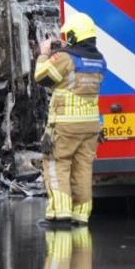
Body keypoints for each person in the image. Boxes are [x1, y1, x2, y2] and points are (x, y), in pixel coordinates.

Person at [35, 12, 106, 227]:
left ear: (75, 35)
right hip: (91, 126)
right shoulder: (99, 60)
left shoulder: (66, 58)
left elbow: (42, 77)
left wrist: (44, 54)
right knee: (83, 169)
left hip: (66, 125)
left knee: (57, 164)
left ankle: (60, 214)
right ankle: (81, 214)